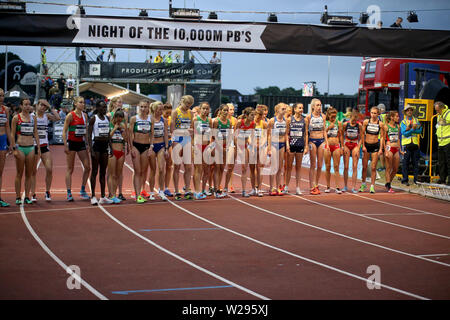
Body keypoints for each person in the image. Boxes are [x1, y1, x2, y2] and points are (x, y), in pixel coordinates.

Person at [10, 98, 40, 205]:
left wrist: (39, 147)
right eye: (25, 104)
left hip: (31, 147)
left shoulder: (33, 118)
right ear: (21, 106)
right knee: (19, 173)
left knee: (29, 173)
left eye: (29, 104)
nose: (28, 106)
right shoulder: (16, 118)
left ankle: (27, 196)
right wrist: (14, 149)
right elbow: (12, 134)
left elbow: (35, 132)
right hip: (20, 147)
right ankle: (18, 197)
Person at [30, 99, 60, 202]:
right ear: (37, 105)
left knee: (49, 169)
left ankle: (47, 191)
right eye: (41, 105)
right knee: (33, 171)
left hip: (44, 146)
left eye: (44, 106)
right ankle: (33, 193)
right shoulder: (32, 116)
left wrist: (51, 107)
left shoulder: (46, 116)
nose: (43, 107)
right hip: (34, 145)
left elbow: (58, 118)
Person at [62, 96, 91, 201]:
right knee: (70, 169)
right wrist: (65, 145)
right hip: (72, 144)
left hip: (81, 143)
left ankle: (82, 190)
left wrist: (87, 144)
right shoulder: (70, 115)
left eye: (83, 102)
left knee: (88, 167)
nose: (83, 104)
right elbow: (64, 132)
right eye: (80, 102)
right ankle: (69, 192)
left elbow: (86, 131)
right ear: (75, 104)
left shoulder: (85, 116)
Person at [87, 101, 114, 205]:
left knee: (103, 172)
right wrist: (91, 149)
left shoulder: (107, 119)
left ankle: (103, 196)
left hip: (105, 146)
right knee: (94, 171)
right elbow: (89, 135)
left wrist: (111, 147)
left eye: (105, 107)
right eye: (102, 107)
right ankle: (93, 196)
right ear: (97, 108)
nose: (104, 109)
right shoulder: (94, 118)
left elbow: (108, 134)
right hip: (96, 146)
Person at [170, 95, 194, 200]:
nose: (188, 106)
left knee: (188, 166)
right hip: (178, 140)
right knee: (177, 166)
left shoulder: (191, 113)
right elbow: (172, 128)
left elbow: (192, 127)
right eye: (187, 104)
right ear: (182, 102)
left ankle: (187, 189)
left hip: (187, 140)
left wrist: (191, 135)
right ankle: (176, 190)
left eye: (190, 104)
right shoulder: (175, 112)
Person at [129, 99, 152, 204]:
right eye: (141, 107)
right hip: (136, 146)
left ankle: (141, 191)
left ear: (148, 108)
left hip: (146, 146)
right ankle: (137, 195)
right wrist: (131, 147)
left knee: (143, 171)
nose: (143, 109)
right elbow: (130, 134)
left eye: (145, 107)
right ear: (139, 107)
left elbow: (152, 134)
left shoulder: (151, 119)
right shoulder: (134, 118)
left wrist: (151, 147)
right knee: (137, 171)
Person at [107, 97, 128, 201]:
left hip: (121, 150)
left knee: (118, 174)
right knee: (111, 173)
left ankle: (115, 194)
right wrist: (115, 128)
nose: (119, 119)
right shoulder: (109, 119)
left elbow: (126, 138)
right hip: (112, 151)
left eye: (121, 118)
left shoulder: (123, 124)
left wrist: (122, 130)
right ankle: (111, 194)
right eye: (118, 117)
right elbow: (107, 137)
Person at [305, 98, 328, 195]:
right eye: (317, 105)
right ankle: (311, 186)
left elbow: (324, 130)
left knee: (319, 165)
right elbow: (306, 132)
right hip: (312, 141)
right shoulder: (308, 117)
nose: (319, 107)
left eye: (320, 105)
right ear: (313, 106)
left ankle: (317, 184)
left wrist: (326, 142)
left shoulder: (323, 116)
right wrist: (306, 145)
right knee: (313, 165)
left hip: (321, 140)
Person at [148, 101, 170, 201]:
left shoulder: (164, 120)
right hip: (152, 146)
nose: (162, 111)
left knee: (162, 169)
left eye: (162, 109)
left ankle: (161, 191)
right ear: (154, 109)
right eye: (160, 109)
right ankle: (152, 192)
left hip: (161, 145)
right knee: (153, 169)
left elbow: (165, 134)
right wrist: (149, 146)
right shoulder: (149, 119)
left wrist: (166, 148)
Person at [360, 106, 385, 193]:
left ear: (378, 114)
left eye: (375, 113)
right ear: (370, 113)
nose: (373, 115)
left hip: (375, 146)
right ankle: (363, 184)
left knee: (373, 167)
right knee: (364, 167)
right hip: (366, 145)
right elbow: (362, 134)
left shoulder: (380, 124)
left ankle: (372, 186)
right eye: (372, 113)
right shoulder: (366, 122)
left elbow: (382, 137)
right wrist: (363, 146)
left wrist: (381, 149)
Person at [191, 102, 212, 199]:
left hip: (206, 146)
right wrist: (193, 145)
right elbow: (191, 134)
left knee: (206, 170)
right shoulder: (196, 119)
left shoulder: (209, 120)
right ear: (200, 109)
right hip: (198, 145)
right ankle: (196, 191)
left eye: (207, 109)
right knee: (198, 169)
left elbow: (211, 135)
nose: (205, 110)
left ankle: (203, 189)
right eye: (203, 108)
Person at [235, 107, 256, 197]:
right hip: (236, 145)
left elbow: (251, 136)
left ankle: (244, 190)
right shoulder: (240, 122)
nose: (253, 117)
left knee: (244, 168)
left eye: (254, 115)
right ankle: (223, 188)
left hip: (245, 146)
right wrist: (237, 147)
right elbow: (234, 135)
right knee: (228, 168)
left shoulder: (253, 124)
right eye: (252, 115)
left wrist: (252, 146)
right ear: (246, 115)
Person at [212, 104, 231, 198]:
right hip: (217, 146)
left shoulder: (229, 122)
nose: (226, 112)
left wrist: (227, 146)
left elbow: (230, 135)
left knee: (222, 168)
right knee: (216, 167)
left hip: (225, 146)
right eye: (224, 110)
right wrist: (218, 146)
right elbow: (214, 135)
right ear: (220, 111)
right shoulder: (216, 121)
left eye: (227, 110)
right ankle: (216, 189)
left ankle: (218, 186)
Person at [268, 103, 287, 195]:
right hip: (274, 144)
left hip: (282, 144)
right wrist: (269, 148)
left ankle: (278, 187)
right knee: (274, 167)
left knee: (280, 167)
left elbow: (286, 134)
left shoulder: (285, 120)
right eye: (283, 109)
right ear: (278, 110)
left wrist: (287, 145)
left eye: (285, 109)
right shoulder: (272, 120)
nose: (284, 110)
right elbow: (268, 135)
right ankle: (271, 188)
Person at [400, 104, 422, 186]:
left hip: (415, 144)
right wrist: (413, 129)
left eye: (411, 110)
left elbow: (420, 131)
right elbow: (404, 133)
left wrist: (410, 130)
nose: (410, 111)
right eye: (408, 110)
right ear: (405, 112)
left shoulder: (416, 120)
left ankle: (416, 180)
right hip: (407, 145)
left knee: (416, 163)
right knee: (405, 163)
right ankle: (405, 180)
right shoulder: (403, 122)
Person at [324, 107, 343, 193]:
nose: (333, 118)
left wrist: (342, 147)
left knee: (336, 167)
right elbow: (322, 133)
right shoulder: (325, 123)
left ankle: (337, 187)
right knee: (328, 167)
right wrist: (328, 128)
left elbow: (341, 135)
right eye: (332, 117)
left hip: (336, 145)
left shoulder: (338, 123)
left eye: (335, 117)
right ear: (328, 115)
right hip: (327, 146)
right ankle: (328, 186)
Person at [342, 109, 362, 193]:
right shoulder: (345, 124)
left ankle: (353, 187)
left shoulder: (359, 125)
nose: (354, 121)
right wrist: (342, 145)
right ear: (350, 117)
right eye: (353, 119)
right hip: (347, 144)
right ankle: (345, 186)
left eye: (356, 119)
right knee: (346, 166)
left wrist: (358, 147)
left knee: (354, 166)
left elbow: (361, 137)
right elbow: (341, 135)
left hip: (355, 145)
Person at [252, 105, 269, 197]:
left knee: (260, 167)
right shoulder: (251, 123)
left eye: (261, 115)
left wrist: (262, 145)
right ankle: (254, 187)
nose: (260, 117)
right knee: (253, 168)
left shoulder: (264, 124)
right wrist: (253, 144)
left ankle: (260, 188)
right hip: (252, 146)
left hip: (262, 146)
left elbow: (266, 136)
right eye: (258, 115)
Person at [383, 110, 402, 192]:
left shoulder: (398, 127)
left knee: (395, 169)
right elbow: (383, 139)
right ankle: (389, 185)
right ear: (392, 117)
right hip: (389, 148)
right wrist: (385, 151)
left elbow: (398, 139)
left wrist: (400, 149)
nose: (398, 118)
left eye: (398, 116)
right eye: (397, 116)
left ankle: (388, 183)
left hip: (396, 149)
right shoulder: (386, 126)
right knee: (388, 167)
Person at [0, 89, 13, 207]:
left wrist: (11, 143)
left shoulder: (5, 110)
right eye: (0, 96)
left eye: (3, 96)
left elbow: (8, 127)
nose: (2, 98)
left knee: (0, 171)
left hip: (3, 140)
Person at [434, 101, 450, 185]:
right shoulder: (439, 115)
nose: (437, 112)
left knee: (448, 162)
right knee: (441, 162)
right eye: (436, 110)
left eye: (438, 110)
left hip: (448, 141)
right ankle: (442, 178)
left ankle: (449, 180)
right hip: (440, 142)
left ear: (442, 108)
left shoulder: (448, 113)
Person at [223, 103, 237, 194]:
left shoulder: (235, 120)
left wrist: (236, 145)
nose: (231, 111)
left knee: (230, 166)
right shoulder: (220, 119)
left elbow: (235, 133)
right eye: (230, 109)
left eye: (233, 109)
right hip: (222, 144)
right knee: (220, 166)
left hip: (231, 144)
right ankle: (218, 185)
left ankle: (229, 185)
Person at [162, 103, 174, 197]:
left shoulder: (171, 119)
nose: (168, 115)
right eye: (167, 113)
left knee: (169, 165)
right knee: (160, 167)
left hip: (169, 142)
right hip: (160, 142)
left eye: (170, 113)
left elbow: (173, 131)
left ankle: (166, 187)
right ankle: (160, 188)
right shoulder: (160, 119)